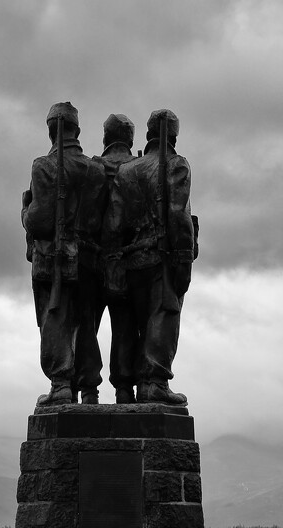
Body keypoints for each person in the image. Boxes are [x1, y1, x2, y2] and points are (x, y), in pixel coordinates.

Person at [106, 109, 196, 404]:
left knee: (128, 325)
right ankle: (154, 383)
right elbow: (178, 217)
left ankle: (125, 388)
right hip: (163, 258)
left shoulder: (127, 171)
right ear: (173, 136)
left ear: (148, 136)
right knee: (163, 315)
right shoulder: (176, 165)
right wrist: (183, 260)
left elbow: (114, 224)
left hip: (132, 260)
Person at [21, 102, 107, 405]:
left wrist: (25, 209)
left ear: (50, 130)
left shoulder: (42, 166)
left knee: (56, 319)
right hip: (90, 260)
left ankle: (61, 385)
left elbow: (40, 220)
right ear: (77, 130)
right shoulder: (96, 170)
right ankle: (89, 389)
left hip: (53, 259)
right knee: (86, 324)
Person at [93, 114, 138, 404]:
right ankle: (124, 388)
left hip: (92, 259)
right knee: (125, 326)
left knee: (85, 326)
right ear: (131, 140)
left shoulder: (92, 167)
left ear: (105, 138)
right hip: (130, 258)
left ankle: (87, 390)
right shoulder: (139, 169)